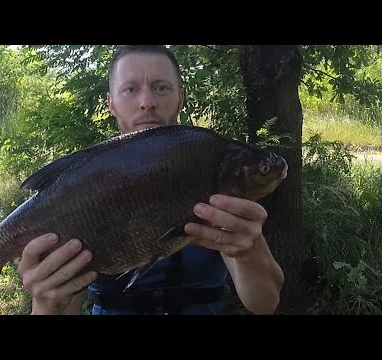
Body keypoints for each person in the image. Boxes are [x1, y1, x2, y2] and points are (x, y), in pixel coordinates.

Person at [17, 45, 284, 315]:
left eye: (161, 88)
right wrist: (45, 302)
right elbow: (64, 308)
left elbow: (265, 303)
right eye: (130, 89)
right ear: (111, 103)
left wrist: (249, 251)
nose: (147, 102)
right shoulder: (83, 183)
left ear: (180, 98)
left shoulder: (211, 168)